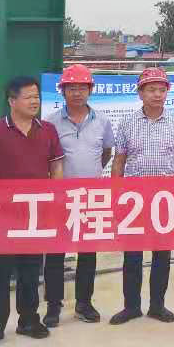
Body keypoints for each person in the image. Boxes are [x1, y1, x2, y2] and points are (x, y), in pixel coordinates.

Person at [0, 76, 65, 347]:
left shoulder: (48, 130)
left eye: (37, 96)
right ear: (12, 101)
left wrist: (55, 199)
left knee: (31, 270)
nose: (35, 101)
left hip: (35, 214)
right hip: (2, 214)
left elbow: (56, 167)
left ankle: (28, 320)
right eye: (28, 97)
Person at [110, 68, 174, 325]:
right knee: (132, 255)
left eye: (162, 89)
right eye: (151, 89)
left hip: (165, 198)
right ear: (140, 93)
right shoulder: (127, 123)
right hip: (134, 199)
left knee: (162, 254)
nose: (157, 94)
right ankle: (131, 307)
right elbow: (119, 160)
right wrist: (116, 194)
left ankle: (157, 305)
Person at [42, 63, 114, 327]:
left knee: (88, 252)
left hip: (91, 196)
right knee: (55, 252)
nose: (77, 93)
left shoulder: (102, 121)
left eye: (82, 87)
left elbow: (106, 153)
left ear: (90, 90)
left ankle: (84, 303)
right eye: (71, 88)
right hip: (60, 197)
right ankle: (53, 306)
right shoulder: (50, 122)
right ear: (62, 91)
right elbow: (46, 157)